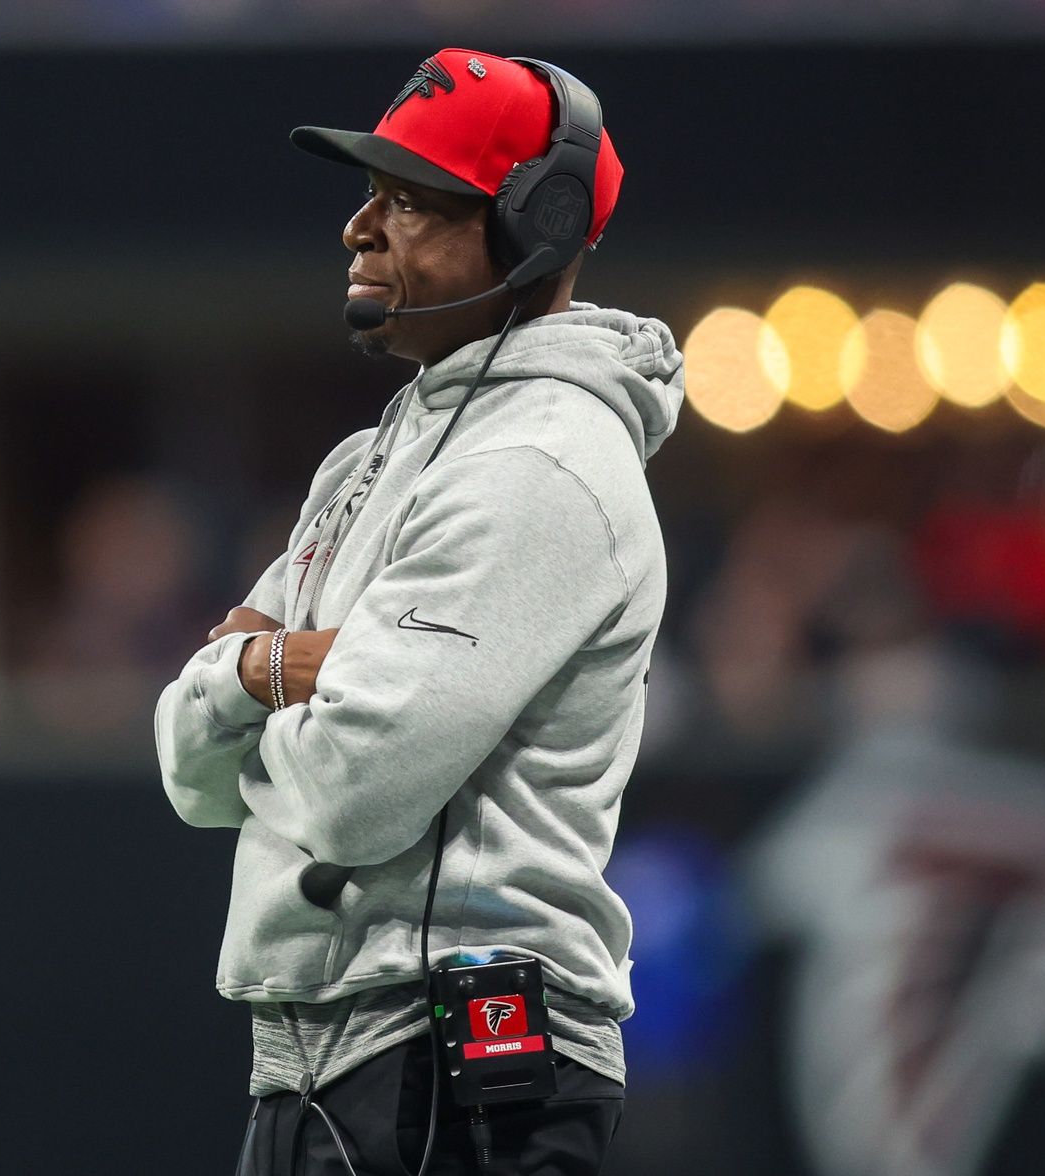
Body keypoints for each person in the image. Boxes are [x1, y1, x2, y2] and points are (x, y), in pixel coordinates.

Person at [153, 48, 683, 1175]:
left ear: (532, 226)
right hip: (322, 1054)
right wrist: (257, 675)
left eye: (409, 201)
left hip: (461, 1056)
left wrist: (269, 686)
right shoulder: (369, 457)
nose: (358, 227)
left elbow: (356, 788)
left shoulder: (541, 457)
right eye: (368, 194)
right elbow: (186, 769)